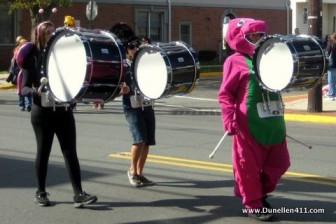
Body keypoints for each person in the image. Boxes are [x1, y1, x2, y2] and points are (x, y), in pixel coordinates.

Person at [17, 21, 97, 208]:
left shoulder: (63, 56)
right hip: (42, 113)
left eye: (53, 31)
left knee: (70, 152)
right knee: (43, 153)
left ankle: (78, 194)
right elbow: (24, 88)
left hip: (63, 110)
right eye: (48, 32)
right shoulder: (33, 56)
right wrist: (35, 92)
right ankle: (41, 192)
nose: (52, 35)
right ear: (39, 35)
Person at [217, 18, 290, 221]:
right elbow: (225, 94)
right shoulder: (234, 61)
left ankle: (256, 192)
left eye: (260, 35)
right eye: (252, 36)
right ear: (239, 37)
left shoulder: (269, 57)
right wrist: (229, 118)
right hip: (247, 124)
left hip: (274, 121)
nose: (258, 39)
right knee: (246, 167)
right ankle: (253, 203)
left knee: (280, 163)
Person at [111, 23, 156, 187]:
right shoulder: (122, 67)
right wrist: (122, 90)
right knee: (139, 139)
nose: (135, 48)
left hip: (147, 104)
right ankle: (131, 171)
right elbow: (114, 89)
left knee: (148, 141)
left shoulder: (145, 63)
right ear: (126, 49)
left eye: (137, 45)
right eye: (131, 46)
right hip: (132, 106)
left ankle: (139, 173)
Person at [7, 36, 32, 111]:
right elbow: (14, 63)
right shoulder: (17, 51)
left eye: (26, 44)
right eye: (24, 44)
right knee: (21, 89)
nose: (26, 45)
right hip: (20, 73)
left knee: (27, 88)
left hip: (27, 72)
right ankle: (22, 104)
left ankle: (28, 104)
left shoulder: (29, 52)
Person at [325, 33, 336, 101]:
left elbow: (326, 53)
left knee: (331, 81)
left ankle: (331, 95)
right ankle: (333, 93)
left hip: (332, 65)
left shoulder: (331, 45)